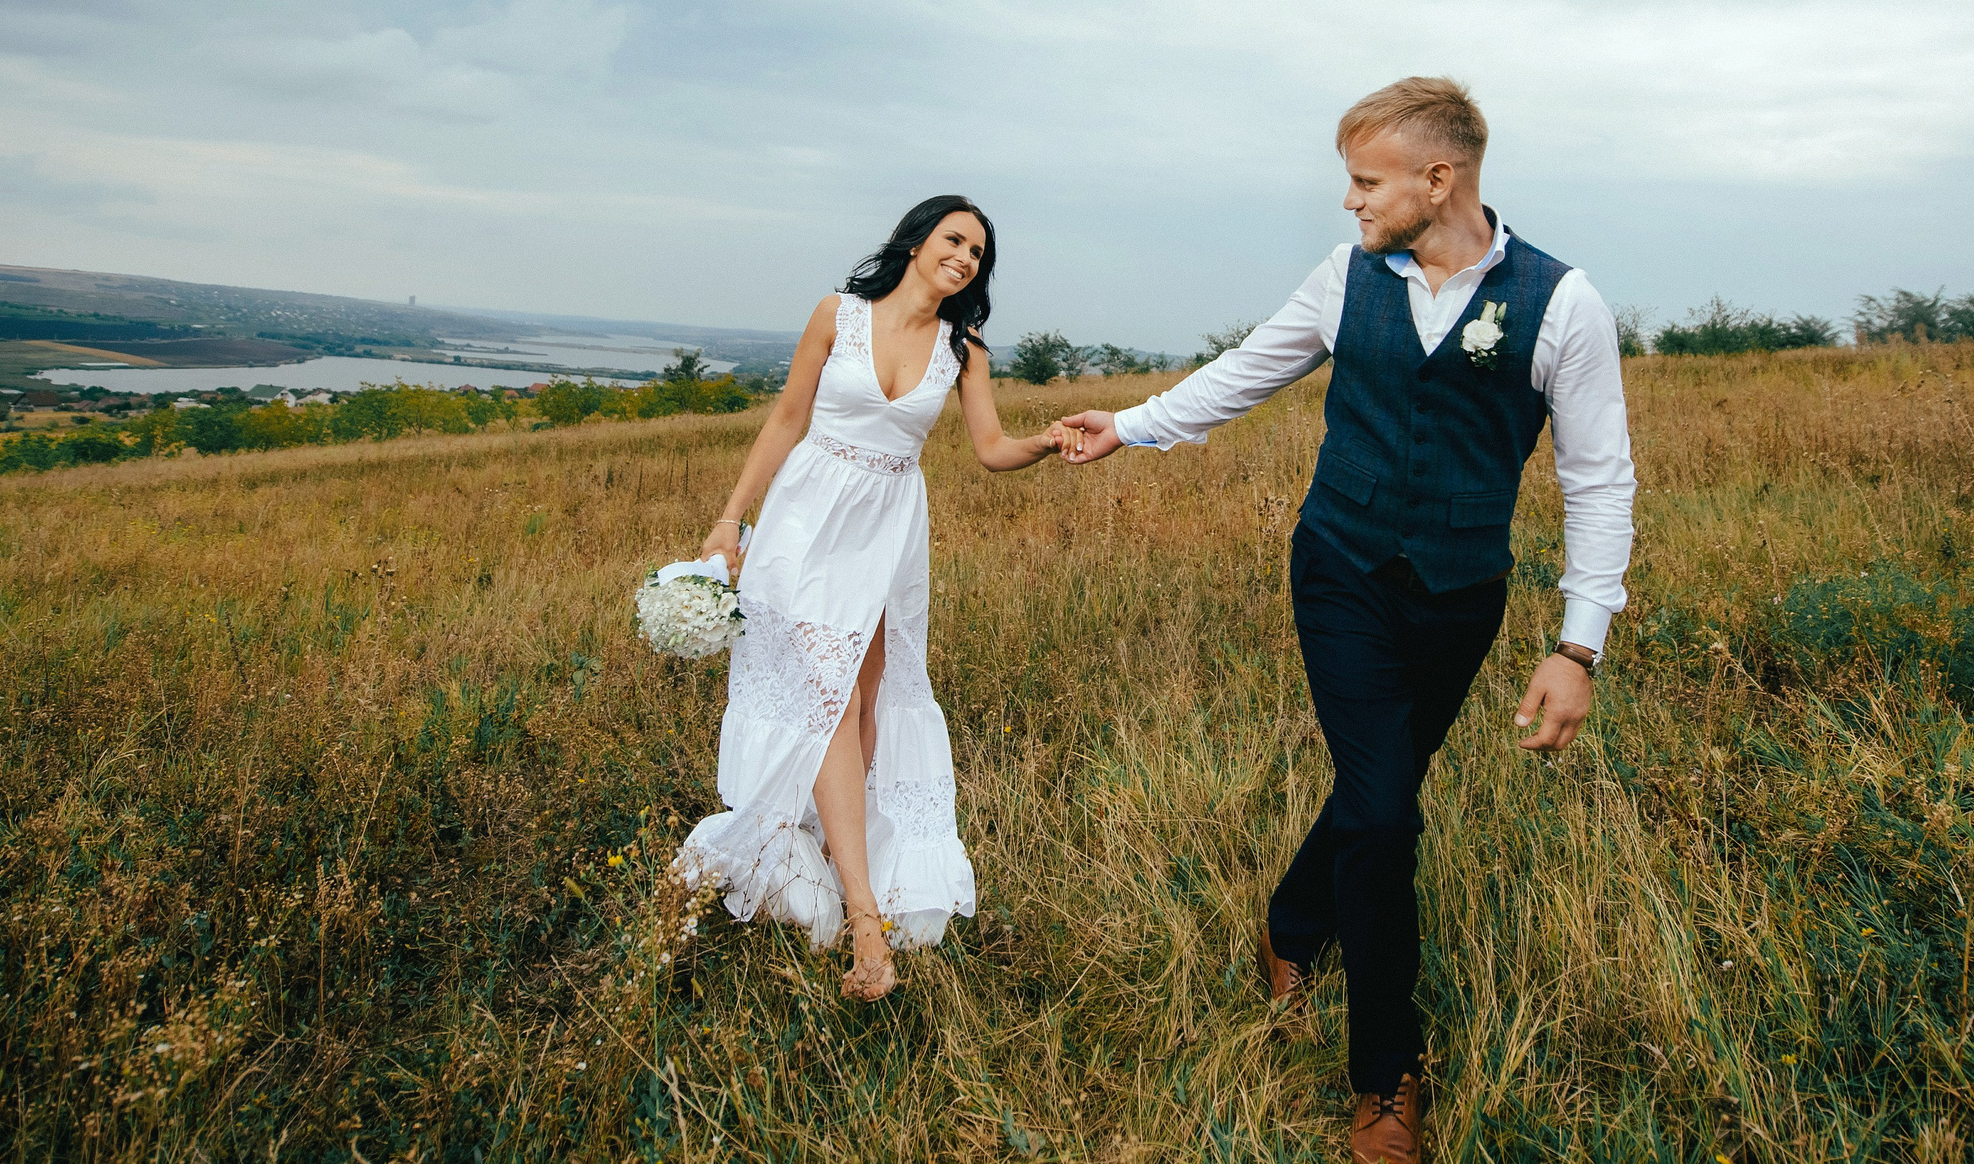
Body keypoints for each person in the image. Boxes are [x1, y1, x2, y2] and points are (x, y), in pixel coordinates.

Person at [1059, 78, 1635, 1163]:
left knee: (1381, 793)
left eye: (1364, 181)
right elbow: (1247, 372)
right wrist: (1128, 428)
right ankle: (1385, 1075)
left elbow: (1599, 479)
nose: (1349, 202)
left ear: (1439, 178)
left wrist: (1577, 646)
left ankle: (1290, 918)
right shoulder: (1347, 277)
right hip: (1340, 570)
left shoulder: (1564, 305)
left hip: (1461, 592)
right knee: (1383, 813)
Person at [676, 195, 1081, 1001]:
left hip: (890, 530)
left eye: (978, 253)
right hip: (806, 522)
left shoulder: (964, 352)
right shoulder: (840, 314)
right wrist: (730, 521)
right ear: (917, 239)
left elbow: (991, 448)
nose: (965, 257)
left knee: (863, 698)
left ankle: (836, 847)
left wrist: (1044, 443)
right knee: (826, 698)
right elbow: (786, 419)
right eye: (954, 239)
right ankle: (866, 921)